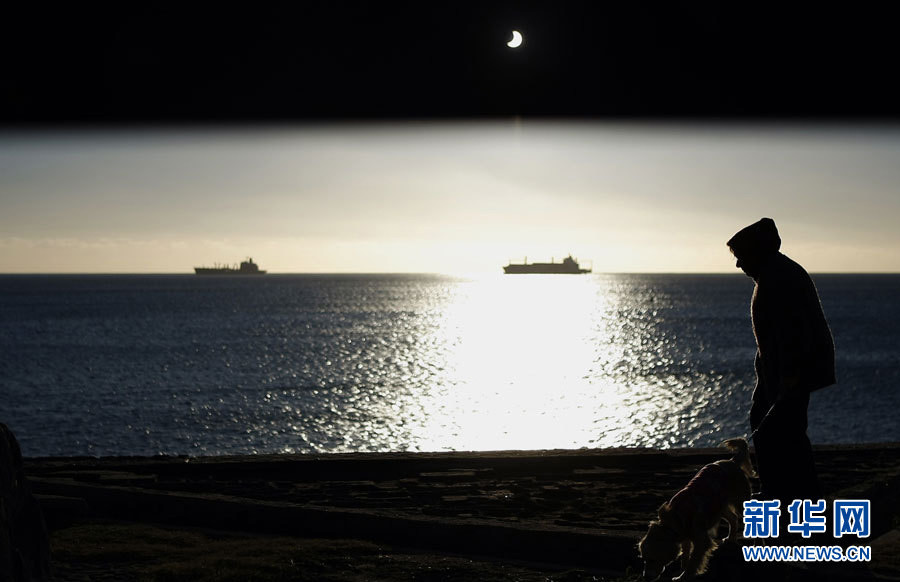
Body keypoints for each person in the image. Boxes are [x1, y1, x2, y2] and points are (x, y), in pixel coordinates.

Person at [726, 218, 835, 505]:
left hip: (791, 373)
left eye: (741, 257)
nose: (738, 265)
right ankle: (783, 490)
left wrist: (789, 378)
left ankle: (797, 494)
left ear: (756, 252)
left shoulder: (779, 278)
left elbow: (793, 334)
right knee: (776, 428)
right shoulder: (774, 274)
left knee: (783, 431)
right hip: (782, 372)